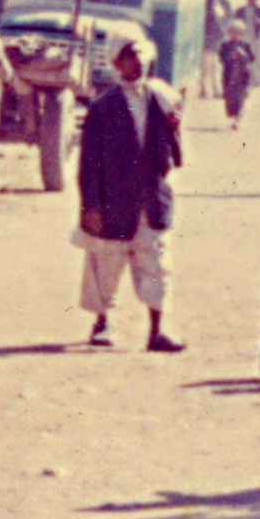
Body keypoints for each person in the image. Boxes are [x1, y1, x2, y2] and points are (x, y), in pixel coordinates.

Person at [77, 29, 184, 352]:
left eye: (139, 55)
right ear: (116, 64)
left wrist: (174, 127)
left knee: (156, 265)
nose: (136, 62)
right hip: (114, 201)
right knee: (105, 265)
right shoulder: (102, 108)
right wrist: (91, 206)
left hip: (150, 200)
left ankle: (157, 332)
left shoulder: (159, 100)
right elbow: (88, 163)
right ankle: (101, 324)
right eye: (128, 57)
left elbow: (174, 157)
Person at [219, 19, 255, 129]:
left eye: (237, 32)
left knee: (240, 98)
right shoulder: (225, 45)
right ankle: (233, 115)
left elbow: (252, 58)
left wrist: (243, 55)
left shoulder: (245, 44)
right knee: (229, 99)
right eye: (232, 32)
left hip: (242, 76)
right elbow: (221, 58)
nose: (234, 34)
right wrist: (231, 56)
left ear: (241, 33)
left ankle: (237, 120)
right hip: (229, 76)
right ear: (228, 32)